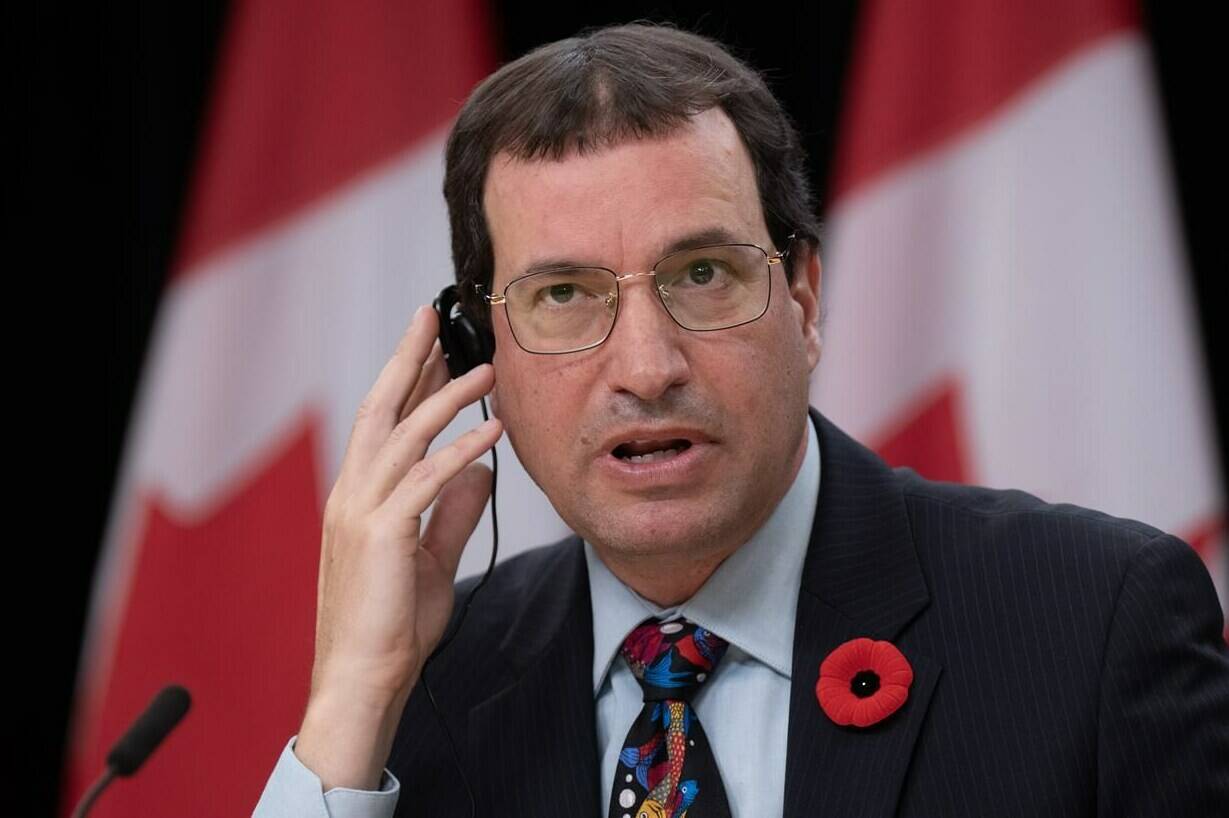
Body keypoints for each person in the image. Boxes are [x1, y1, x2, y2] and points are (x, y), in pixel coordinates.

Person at [252, 21, 1229, 818]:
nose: (644, 367)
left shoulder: (1093, 622)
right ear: (482, 354)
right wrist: (352, 699)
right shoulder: (419, 686)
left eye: (703, 275)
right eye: (562, 295)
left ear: (802, 300)